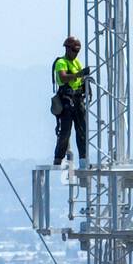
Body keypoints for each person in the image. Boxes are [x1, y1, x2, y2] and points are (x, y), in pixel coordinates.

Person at [52, 36, 89, 167]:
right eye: (73, 50)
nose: (75, 53)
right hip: (66, 100)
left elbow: (80, 79)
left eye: (77, 51)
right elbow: (63, 77)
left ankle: (84, 159)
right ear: (68, 49)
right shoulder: (61, 62)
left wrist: (85, 84)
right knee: (65, 131)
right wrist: (78, 75)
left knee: (82, 130)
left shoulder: (77, 63)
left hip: (78, 99)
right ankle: (58, 158)